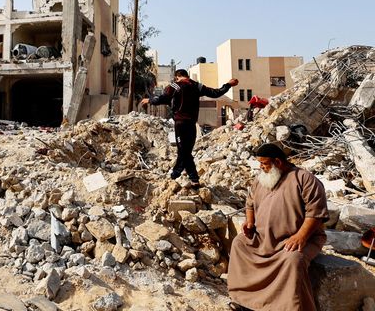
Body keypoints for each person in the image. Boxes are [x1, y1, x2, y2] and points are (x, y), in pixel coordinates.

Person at [227, 143, 328, 310]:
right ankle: (244, 300)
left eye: (265, 164)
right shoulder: (261, 179)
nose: (261, 167)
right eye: (260, 164)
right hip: (263, 239)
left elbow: (316, 213)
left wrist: (300, 236)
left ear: (278, 162)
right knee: (239, 244)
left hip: (297, 240)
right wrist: (250, 222)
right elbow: (250, 203)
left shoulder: (304, 179)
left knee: (293, 260)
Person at [140, 70, 238, 187]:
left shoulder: (174, 85)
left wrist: (149, 100)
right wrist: (228, 85)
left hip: (180, 124)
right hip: (192, 124)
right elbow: (215, 93)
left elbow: (164, 98)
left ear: (177, 77)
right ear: (187, 76)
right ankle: (177, 174)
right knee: (185, 151)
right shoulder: (196, 85)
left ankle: (190, 177)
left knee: (183, 151)